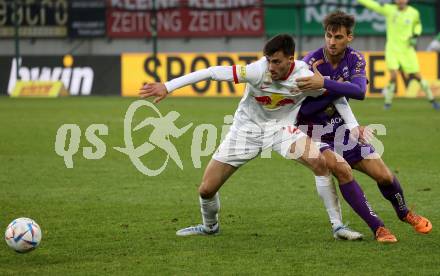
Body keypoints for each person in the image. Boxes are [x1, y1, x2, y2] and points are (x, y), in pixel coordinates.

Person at [139, 34, 382, 241]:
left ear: (290, 59)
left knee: (320, 162)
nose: (271, 67)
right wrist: (168, 87)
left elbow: (335, 97)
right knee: (206, 189)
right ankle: (209, 227)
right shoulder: (256, 71)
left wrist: (353, 126)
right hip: (245, 131)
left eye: (276, 62)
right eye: (268, 61)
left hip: (281, 130)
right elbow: (212, 72)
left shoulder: (305, 76)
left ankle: (337, 226)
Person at [296, 11, 432, 243]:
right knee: (342, 171)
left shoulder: (355, 59)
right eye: (328, 35)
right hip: (313, 131)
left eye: (338, 37)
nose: (331, 41)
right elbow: (304, 108)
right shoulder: (310, 62)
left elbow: (359, 92)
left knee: (385, 176)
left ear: (349, 37)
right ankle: (378, 227)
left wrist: (326, 86)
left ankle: (404, 212)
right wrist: (335, 88)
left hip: (341, 129)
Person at [358, 0, 439, 110]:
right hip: (392, 49)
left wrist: (415, 36)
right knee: (394, 75)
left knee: (417, 76)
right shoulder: (390, 10)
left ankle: (432, 101)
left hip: (407, 50)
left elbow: (417, 25)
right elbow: (373, 5)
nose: (401, 1)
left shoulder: (413, 12)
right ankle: (387, 103)